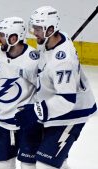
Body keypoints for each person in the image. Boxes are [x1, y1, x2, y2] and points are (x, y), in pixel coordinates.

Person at [15, 6, 97, 169]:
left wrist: (37, 111)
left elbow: (67, 100)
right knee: (56, 161)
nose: (34, 32)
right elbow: (44, 68)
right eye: (34, 27)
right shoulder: (52, 40)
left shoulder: (62, 63)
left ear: (51, 29)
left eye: (38, 28)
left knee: (45, 165)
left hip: (72, 113)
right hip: (55, 108)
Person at [0, 17, 42, 169]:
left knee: (28, 166)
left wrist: (37, 114)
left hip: (27, 124)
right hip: (1, 123)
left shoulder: (33, 60)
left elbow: (44, 90)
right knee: (2, 165)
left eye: (2, 35)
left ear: (14, 38)